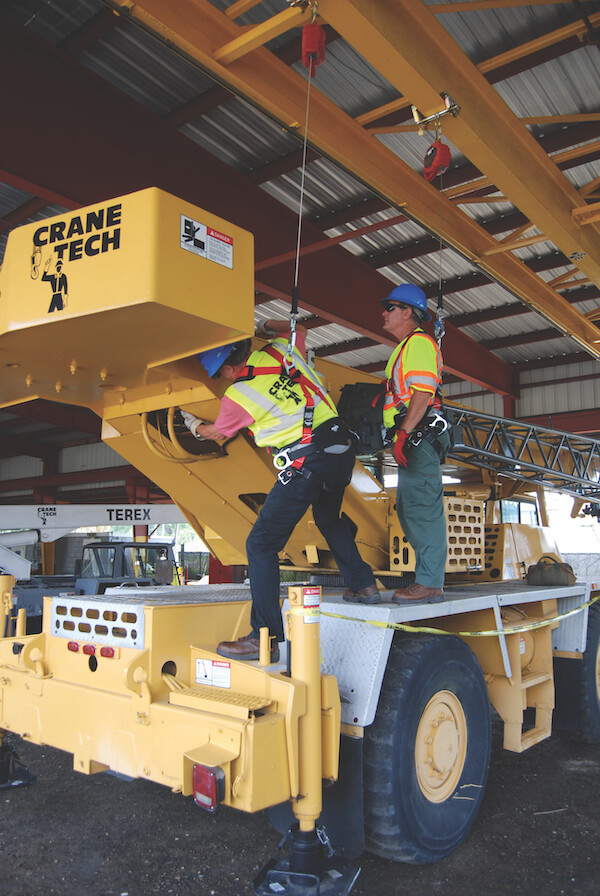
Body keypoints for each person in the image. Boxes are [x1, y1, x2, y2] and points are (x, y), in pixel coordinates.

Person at [181, 318, 379, 662]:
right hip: (340, 450)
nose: (223, 378)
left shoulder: (239, 395)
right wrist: (269, 323)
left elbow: (217, 434)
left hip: (308, 461)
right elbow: (298, 331)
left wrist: (192, 421)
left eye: (220, 374)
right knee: (328, 518)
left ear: (228, 369)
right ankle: (363, 584)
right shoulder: (278, 352)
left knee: (260, 544)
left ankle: (264, 637)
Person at [380, 284, 451, 604]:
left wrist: (405, 432)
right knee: (411, 510)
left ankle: (431, 582)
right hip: (414, 435)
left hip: (419, 434)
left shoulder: (419, 343)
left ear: (407, 312)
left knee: (422, 509)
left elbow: (422, 393)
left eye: (390, 307)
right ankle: (426, 578)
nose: (384, 313)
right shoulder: (409, 346)